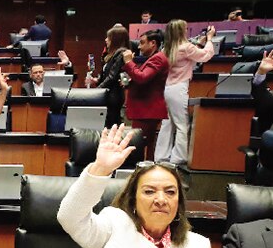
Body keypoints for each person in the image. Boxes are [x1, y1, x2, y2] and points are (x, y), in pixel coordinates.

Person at [58, 124, 237, 248]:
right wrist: (101, 169)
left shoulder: (196, 246)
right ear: (133, 200)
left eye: (170, 192)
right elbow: (70, 217)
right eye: (149, 191)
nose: (161, 199)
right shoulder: (114, 224)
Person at [160, 19, 215, 166]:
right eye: (185, 29)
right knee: (182, 124)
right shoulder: (186, 47)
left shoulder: (166, 49)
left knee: (167, 124)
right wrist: (209, 40)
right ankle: (178, 158)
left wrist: (199, 43)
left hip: (166, 89)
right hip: (179, 89)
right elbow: (206, 55)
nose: (186, 31)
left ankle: (161, 156)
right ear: (180, 31)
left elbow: (188, 55)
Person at [121, 29, 170, 161]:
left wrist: (129, 62)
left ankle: (142, 173)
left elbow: (142, 77)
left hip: (148, 109)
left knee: (141, 146)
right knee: (144, 145)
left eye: (142, 43)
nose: (139, 46)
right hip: (145, 109)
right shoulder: (153, 58)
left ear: (153, 43)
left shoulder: (158, 59)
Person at [88, 26, 130, 127]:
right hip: (108, 94)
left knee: (112, 124)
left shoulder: (121, 53)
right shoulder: (112, 54)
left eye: (109, 38)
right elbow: (106, 75)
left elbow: (112, 77)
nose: (106, 40)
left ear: (115, 40)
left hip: (113, 96)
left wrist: (97, 91)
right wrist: (97, 81)